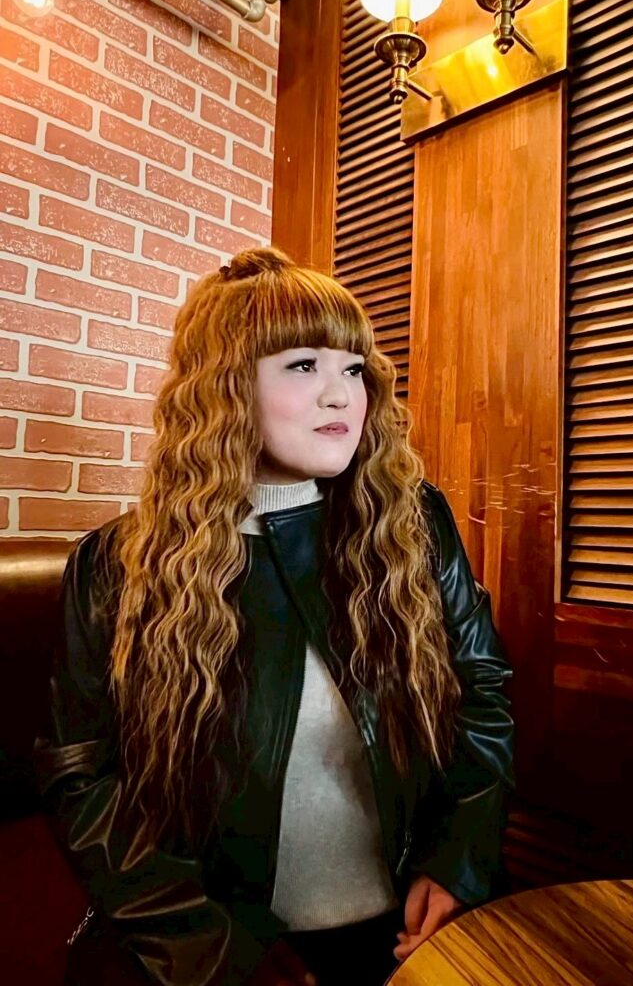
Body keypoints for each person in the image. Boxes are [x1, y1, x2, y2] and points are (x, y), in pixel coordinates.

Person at [35, 247, 514, 986]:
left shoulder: (413, 525)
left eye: (353, 369)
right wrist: (208, 952)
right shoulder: (115, 564)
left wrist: (459, 860)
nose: (341, 396)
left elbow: (483, 691)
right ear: (225, 387)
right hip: (216, 955)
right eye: (304, 365)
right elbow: (81, 777)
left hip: (403, 939)